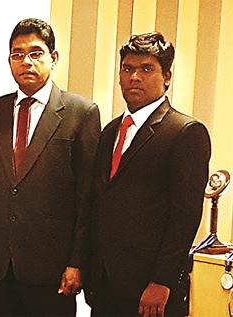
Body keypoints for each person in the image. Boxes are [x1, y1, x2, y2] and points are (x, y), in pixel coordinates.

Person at [0, 18, 100, 316]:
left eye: (35, 53)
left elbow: (87, 197)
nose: (26, 61)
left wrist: (77, 261)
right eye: (17, 54)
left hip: (52, 269)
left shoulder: (81, 113)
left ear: (53, 58)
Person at [86, 32, 211, 317]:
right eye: (128, 69)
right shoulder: (110, 132)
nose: (134, 77)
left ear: (167, 76)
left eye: (146, 69)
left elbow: (185, 216)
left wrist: (163, 280)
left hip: (151, 291)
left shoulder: (185, 132)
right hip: (105, 285)